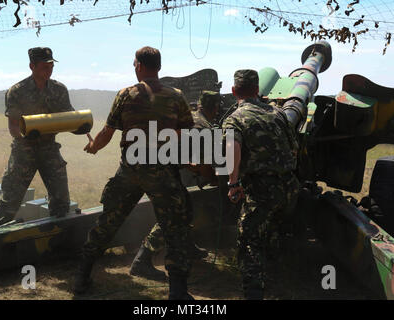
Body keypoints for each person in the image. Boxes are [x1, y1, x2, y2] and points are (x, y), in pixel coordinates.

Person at [73, 46, 194, 300]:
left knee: (108, 222)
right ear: (158, 67)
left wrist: (93, 147)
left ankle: (81, 277)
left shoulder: (125, 94)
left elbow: (107, 132)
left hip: (130, 168)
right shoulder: (176, 96)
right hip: (162, 169)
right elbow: (185, 133)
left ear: (138, 65)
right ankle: (178, 292)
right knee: (175, 229)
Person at [222, 69, 300, 300]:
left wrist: (233, 182)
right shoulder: (278, 113)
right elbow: (294, 148)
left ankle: (254, 293)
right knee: (272, 228)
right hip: (289, 186)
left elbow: (232, 149)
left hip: (263, 189)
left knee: (248, 241)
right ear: (258, 90)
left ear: (234, 91)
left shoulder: (235, 118)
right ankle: (277, 276)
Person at [128, 90, 221, 281]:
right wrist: (213, 180)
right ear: (216, 109)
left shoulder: (189, 117)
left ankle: (187, 247)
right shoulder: (204, 127)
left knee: (185, 205)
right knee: (172, 213)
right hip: (157, 169)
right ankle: (141, 261)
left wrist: (191, 166)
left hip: (149, 162)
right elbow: (204, 166)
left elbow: (179, 151)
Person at [0, 47, 82, 229]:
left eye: (51, 66)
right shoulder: (17, 91)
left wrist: (81, 126)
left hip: (49, 149)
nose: (49, 70)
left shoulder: (59, 89)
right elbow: (13, 127)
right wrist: (25, 135)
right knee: (9, 203)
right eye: (44, 66)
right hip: (24, 152)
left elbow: (68, 117)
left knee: (61, 202)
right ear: (32, 66)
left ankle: (60, 244)